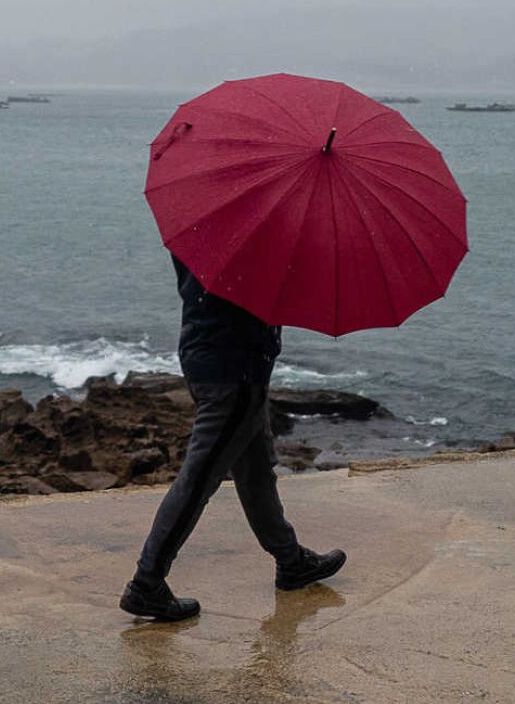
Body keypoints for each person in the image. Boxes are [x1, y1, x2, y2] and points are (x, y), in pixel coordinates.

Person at [121, 254, 346, 621]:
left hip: (208, 357)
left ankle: (291, 561)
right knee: (199, 480)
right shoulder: (254, 248)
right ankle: (146, 584)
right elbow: (258, 298)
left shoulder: (211, 228)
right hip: (234, 371)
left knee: (256, 470)